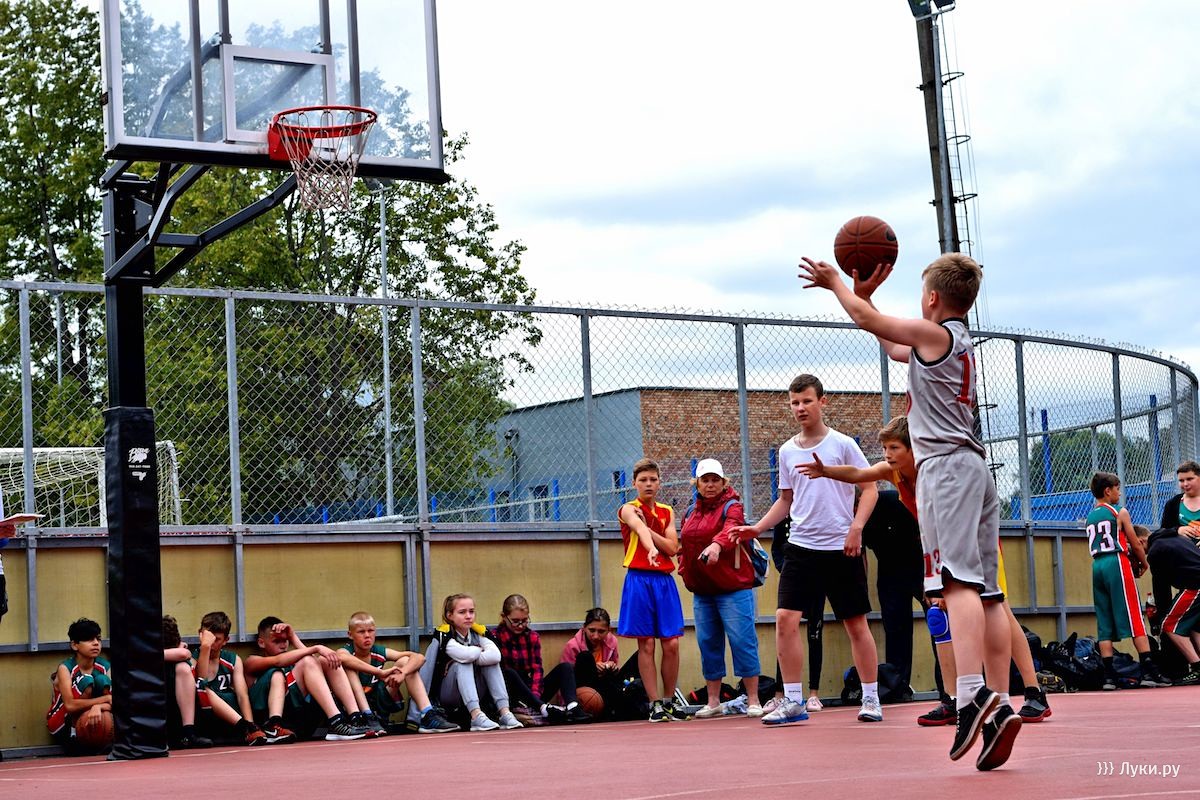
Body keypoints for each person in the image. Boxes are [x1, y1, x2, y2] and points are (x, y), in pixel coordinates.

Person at [798, 252, 1017, 769]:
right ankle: (1002, 703)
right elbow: (893, 344)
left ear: (933, 298)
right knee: (988, 594)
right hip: (974, 467)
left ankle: (971, 696)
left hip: (945, 467)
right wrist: (867, 297)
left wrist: (837, 285)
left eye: (922, 293)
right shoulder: (953, 341)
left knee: (956, 585)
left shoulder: (935, 333)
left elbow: (867, 322)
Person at [801, 416, 1053, 726]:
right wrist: (825, 471)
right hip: (938, 546)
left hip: (973, 541)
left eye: (894, 447)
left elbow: (960, 518)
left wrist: (945, 574)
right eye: (885, 448)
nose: (887, 454)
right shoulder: (894, 472)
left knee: (997, 608)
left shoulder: (935, 473)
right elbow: (859, 473)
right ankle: (952, 699)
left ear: (913, 449)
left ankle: (1032, 692)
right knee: (938, 616)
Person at [728, 373, 882, 726]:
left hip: (842, 548)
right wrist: (757, 528)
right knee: (785, 619)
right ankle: (794, 701)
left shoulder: (843, 444)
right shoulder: (786, 450)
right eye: (794, 402)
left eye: (807, 401)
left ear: (822, 402)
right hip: (801, 547)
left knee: (855, 623)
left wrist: (856, 528)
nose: (800, 408)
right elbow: (786, 499)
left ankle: (871, 698)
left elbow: (871, 488)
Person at [677, 458, 763, 718]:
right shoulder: (690, 511)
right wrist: (684, 568)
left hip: (733, 588)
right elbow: (685, 544)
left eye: (715, 480)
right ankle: (713, 701)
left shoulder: (732, 506)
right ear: (697, 484)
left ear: (724, 482)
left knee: (742, 642)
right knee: (708, 644)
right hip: (703, 591)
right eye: (705, 480)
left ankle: (753, 699)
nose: (710, 484)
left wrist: (716, 545)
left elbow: (731, 529)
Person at [616, 457, 688, 722]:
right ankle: (654, 703)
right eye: (643, 480)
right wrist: (650, 547)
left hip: (664, 581)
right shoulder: (628, 509)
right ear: (634, 483)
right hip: (639, 579)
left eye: (653, 479)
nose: (648, 484)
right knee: (646, 643)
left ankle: (669, 701)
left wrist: (653, 536)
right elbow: (638, 528)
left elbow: (673, 547)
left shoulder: (666, 511)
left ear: (659, 483)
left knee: (672, 643)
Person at [1085, 473, 1171, 688]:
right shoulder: (1119, 511)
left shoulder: (1091, 515)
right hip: (1116, 562)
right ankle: (1149, 671)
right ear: (1108, 491)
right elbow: (1135, 542)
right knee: (1134, 616)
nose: (1119, 492)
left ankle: (1109, 676)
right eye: (1117, 488)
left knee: (1104, 620)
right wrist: (1144, 563)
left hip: (1097, 565)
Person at [244, 616, 372, 741]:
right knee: (307, 661)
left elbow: (315, 667)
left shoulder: (294, 663)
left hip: (300, 720)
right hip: (270, 724)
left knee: (325, 661)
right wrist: (317, 648)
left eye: (285, 640)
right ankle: (336, 722)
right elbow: (278, 661)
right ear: (261, 643)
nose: (283, 646)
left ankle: (356, 718)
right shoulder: (252, 661)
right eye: (277, 641)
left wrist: (293, 637)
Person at [413, 593, 523, 732]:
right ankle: (476, 715)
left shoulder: (478, 633)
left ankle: (504, 713)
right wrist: (478, 651)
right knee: (463, 663)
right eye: (462, 612)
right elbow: (464, 655)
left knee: (491, 663)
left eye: (471, 611)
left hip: (475, 691)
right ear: (449, 615)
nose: (468, 616)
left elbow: (496, 656)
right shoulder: (444, 635)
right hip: (448, 695)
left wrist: (473, 655)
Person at [338, 610, 459, 733]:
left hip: (378, 705)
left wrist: (403, 673)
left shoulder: (378, 651)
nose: (367, 635)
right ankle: (366, 715)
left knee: (405, 661)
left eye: (370, 631)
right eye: (361, 632)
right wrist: (379, 673)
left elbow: (419, 658)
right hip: (356, 711)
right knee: (349, 666)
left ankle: (427, 714)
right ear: (350, 635)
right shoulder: (347, 651)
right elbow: (341, 657)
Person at [488, 594, 590, 724]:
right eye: (515, 621)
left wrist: (535, 696)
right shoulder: (495, 637)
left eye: (525, 620)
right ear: (504, 617)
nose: (520, 625)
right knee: (509, 673)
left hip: (532, 692)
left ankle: (572, 706)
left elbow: (537, 670)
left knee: (565, 668)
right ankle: (541, 709)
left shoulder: (532, 637)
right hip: (509, 693)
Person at [189, 611, 274, 745]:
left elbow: (242, 695)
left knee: (235, 695)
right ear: (200, 634)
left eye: (216, 639)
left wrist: (251, 724)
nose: (211, 643)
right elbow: (201, 682)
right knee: (203, 689)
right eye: (207, 637)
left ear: (226, 640)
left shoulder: (232, 660)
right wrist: (205, 648)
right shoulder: (192, 659)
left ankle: (249, 729)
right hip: (206, 716)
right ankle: (244, 728)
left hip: (231, 717)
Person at [1136, 523, 1200, 684]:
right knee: (1194, 625)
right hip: (1194, 582)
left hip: (1194, 585)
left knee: (1170, 625)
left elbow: (1161, 587)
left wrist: (1160, 616)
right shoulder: (1174, 537)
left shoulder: (1155, 551)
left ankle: (1198, 668)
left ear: (1141, 541)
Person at [560, 607, 642, 720]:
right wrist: (593, 667)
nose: (596, 636)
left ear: (609, 630)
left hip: (606, 688)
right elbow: (566, 680)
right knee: (585, 657)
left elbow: (613, 677)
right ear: (584, 628)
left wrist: (612, 667)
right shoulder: (572, 646)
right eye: (592, 630)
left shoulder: (612, 642)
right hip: (585, 690)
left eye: (601, 631)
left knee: (640, 656)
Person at [46, 618, 113, 753]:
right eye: (89, 639)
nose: (96, 643)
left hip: (92, 718)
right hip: (62, 723)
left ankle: (100, 740)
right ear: (74, 645)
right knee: (85, 680)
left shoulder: (105, 666)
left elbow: (116, 702)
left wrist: (98, 707)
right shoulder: (65, 668)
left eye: (98, 639)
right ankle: (74, 736)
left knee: (102, 680)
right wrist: (104, 700)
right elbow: (70, 706)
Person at [162, 614, 213, 749]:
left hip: (176, 717)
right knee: (183, 667)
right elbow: (184, 654)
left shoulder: (178, 660)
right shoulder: (142, 653)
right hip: (155, 718)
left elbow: (183, 654)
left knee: (183, 668)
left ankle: (188, 733)